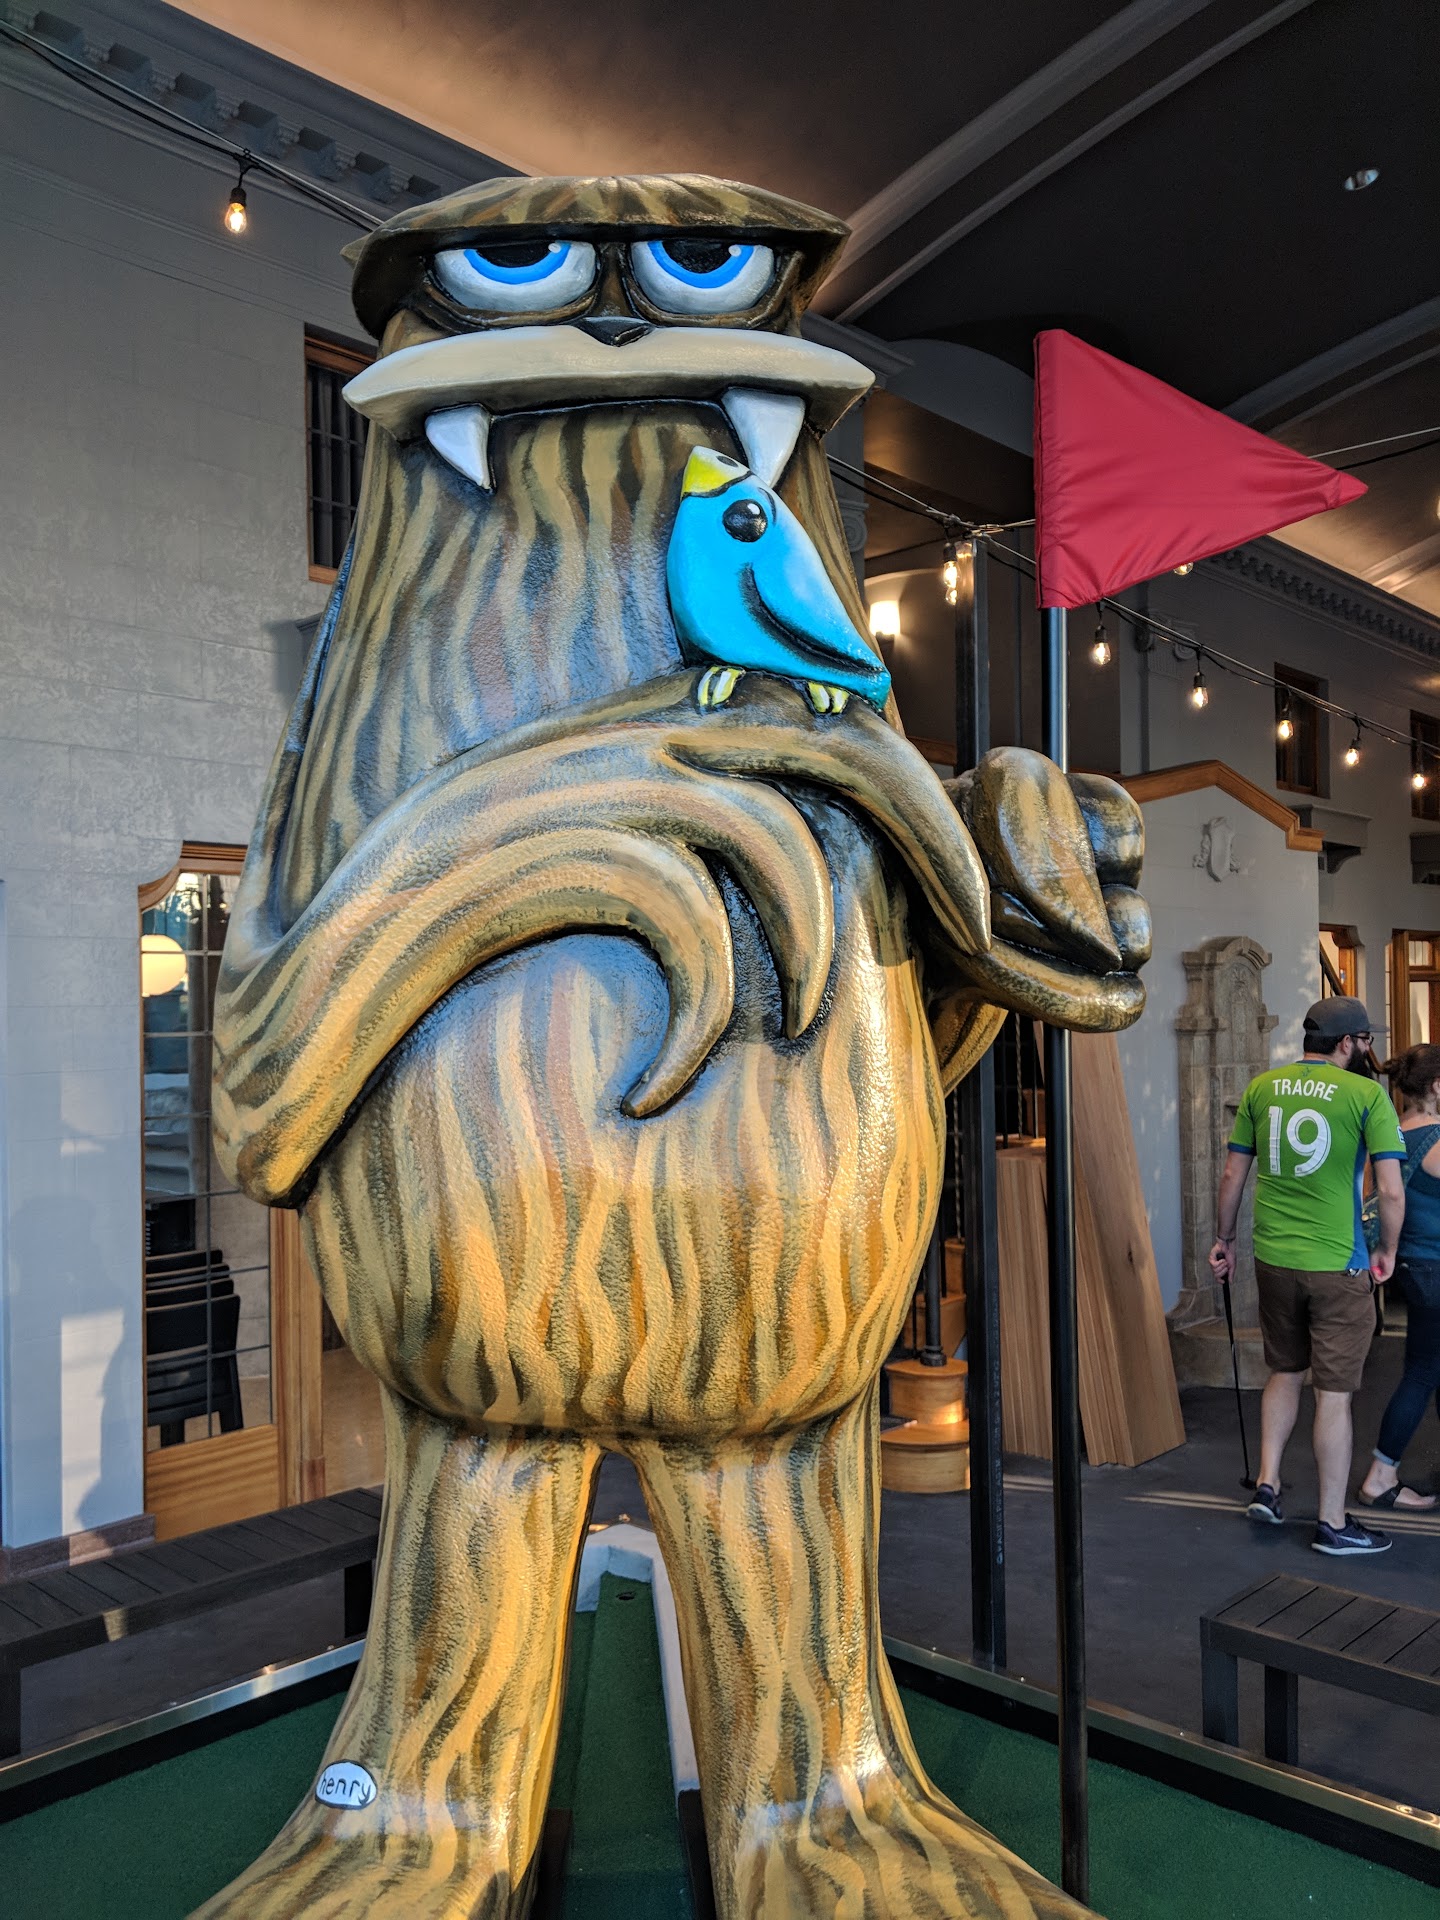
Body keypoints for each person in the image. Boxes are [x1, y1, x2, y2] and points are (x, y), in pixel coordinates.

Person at [1209, 996, 1404, 1556]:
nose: (1368, 1049)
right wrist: (1386, 1250)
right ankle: (1332, 1523)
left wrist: (1224, 1240)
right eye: (1365, 1040)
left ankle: (1267, 1485)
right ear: (1346, 1043)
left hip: (1274, 1259)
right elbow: (1390, 1191)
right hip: (1338, 1263)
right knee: (1334, 1396)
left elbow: (1232, 1174)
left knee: (1285, 1370)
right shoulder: (1367, 1096)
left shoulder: (1262, 1088)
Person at [1357, 1045, 1440, 1512]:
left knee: (1431, 1365)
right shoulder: (1437, 1139)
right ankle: (1381, 1475)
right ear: (1436, 1087)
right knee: (1423, 1371)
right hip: (1435, 1267)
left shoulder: (1391, 1134)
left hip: (1410, 1264)